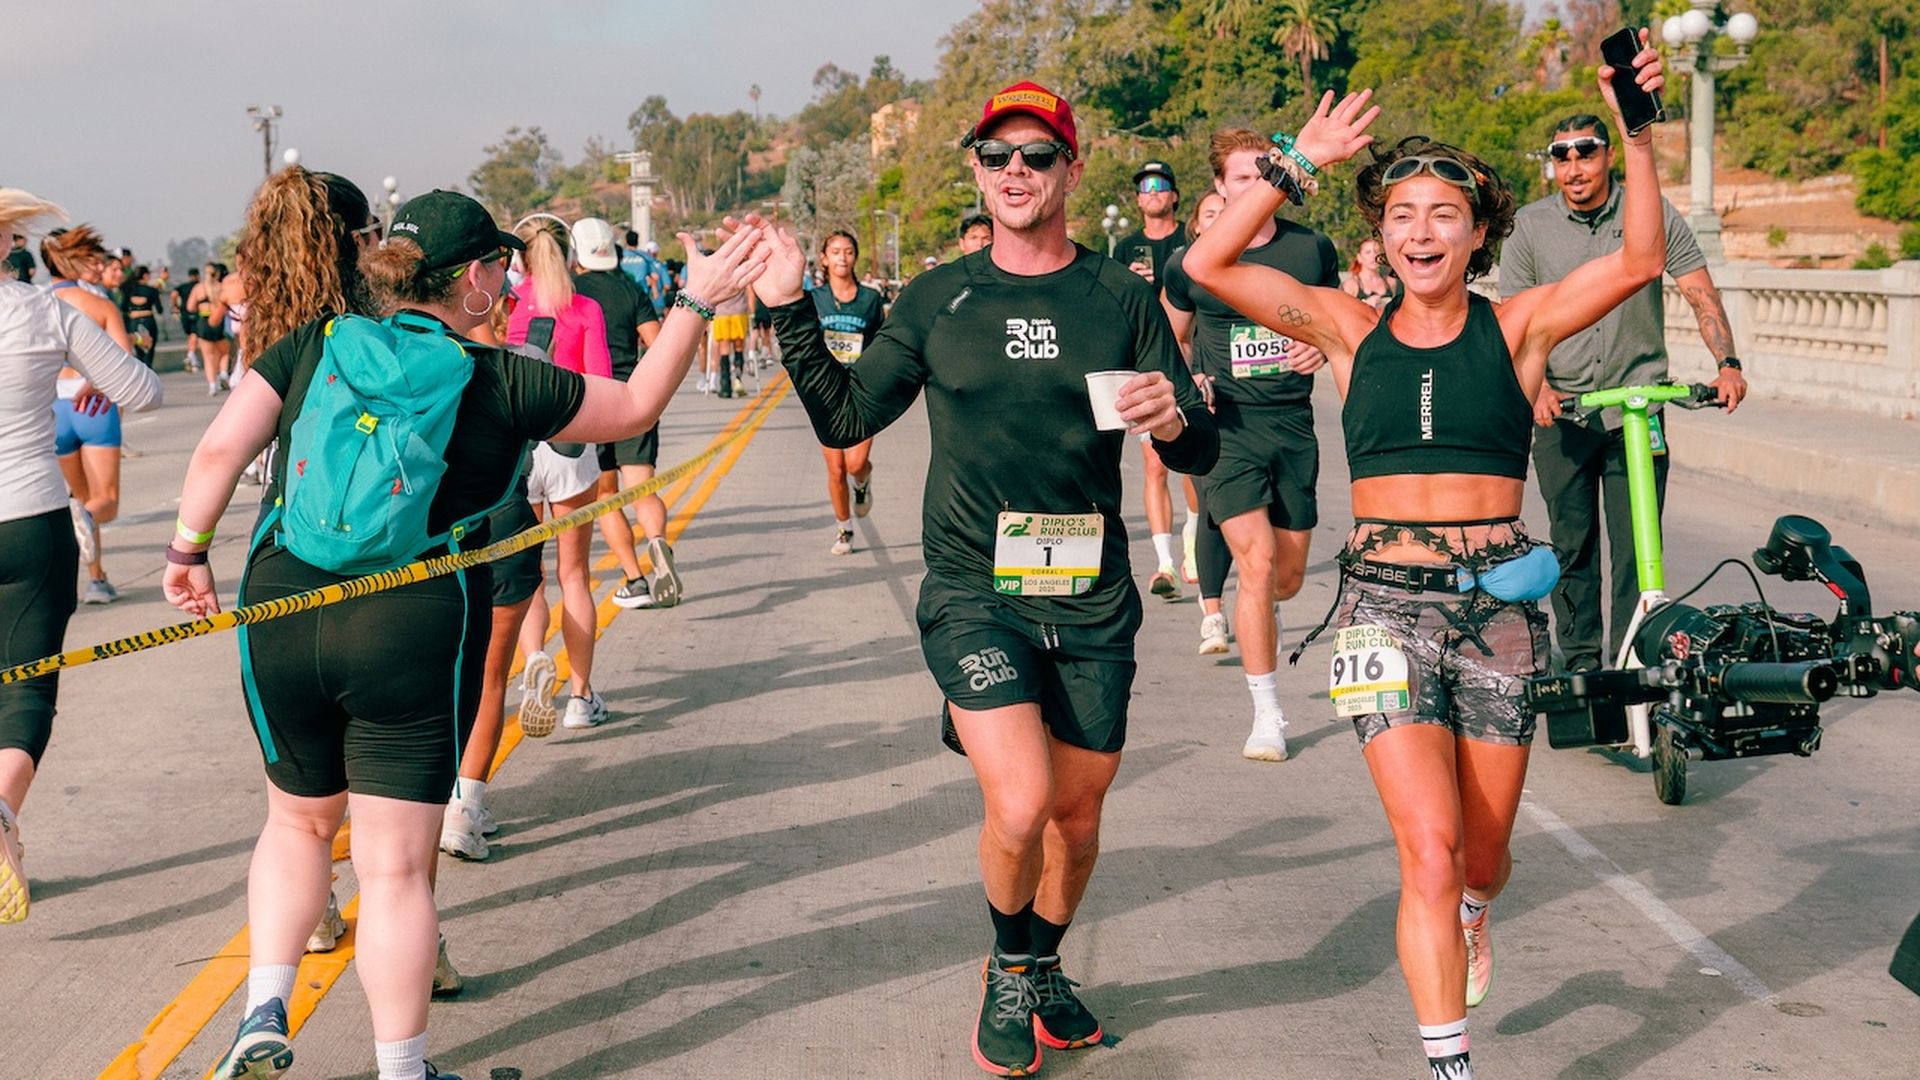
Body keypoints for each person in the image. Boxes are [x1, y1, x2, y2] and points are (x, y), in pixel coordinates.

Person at [164, 188, 766, 1080]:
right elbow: (637, 405)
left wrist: (188, 552)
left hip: (283, 605)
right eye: (504, 268)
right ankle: (402, 1068)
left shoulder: (315, 343)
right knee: (396, 869)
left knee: (293, 825)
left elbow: (218, 453)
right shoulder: (503, 377)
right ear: (477, 279)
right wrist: (693, 298)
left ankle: (262, 1011)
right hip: (409, 618)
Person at [1184, 40, 1668, 1079]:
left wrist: (1635, 134)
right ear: (1380, 235)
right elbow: (1206, 266)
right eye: (1401, 214)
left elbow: (1636, 260)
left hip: (1497, 614)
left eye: (1444, 213)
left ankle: (1477, 913)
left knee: (1482, 858)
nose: (1420, 230)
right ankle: (1449, 1062)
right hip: (1381, 615)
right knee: (1429, 851)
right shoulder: (1350, 331)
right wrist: (1289, 165)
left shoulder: (1523, 326)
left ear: (1480, 231)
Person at [748, 79, 1216, 1077]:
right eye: (997, 155)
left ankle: (1044, 966)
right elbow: (844, 419)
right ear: (975, 167)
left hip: (1091, 596)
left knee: (1078, 819)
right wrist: (788, 305)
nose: (1016, 171)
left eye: (1037, 156)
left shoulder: (1120, 299)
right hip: (975, 589)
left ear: (1070, 170)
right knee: (1020, 803)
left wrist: (1173, 421)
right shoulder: (936, 300)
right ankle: (1008, 969)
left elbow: (1195, 451)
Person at [1500, 112, 1750, 673]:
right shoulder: (1528, 227)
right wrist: (1536, 386)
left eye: (1585, 152)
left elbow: (1699, 293)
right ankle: (1583, 663)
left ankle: (1632, 658)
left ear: (1609, 155)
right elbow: (1514, 318)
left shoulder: (1652, 212)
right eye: (1560, 155)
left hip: (1638, 412)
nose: (1572, 166)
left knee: (1640, 551)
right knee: (1573, 545)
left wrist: (1727, 364)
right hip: (1560, 413)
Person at [230, 165, 388, 955]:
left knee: (296, 787)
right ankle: (411, 938)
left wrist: (186, 550)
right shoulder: (382, 328)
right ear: (358, 240)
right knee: (394, 773)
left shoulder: (261, 331)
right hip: (388, 558)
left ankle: (314, 906)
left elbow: (230, 450)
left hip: (284, 553)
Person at [0, 189, 162, 924]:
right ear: (5, 245)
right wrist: (75, 376)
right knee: (27, 686)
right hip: (31, 519)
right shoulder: (45, 312)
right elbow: (142, 391)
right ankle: (2, 813)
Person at [1162, 128, 1343, 762]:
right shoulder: (1191, 261)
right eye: (1243, 177)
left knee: (1286, 579)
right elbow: (1163, 339)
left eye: (1266, 171)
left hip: (1292, 430)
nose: (1258, 184)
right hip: (1226, 433)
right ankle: (1268, 713)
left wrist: (1320, 344)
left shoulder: (1311, 249)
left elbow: (1338, 325)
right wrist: (1191, 382)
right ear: (1220, 188)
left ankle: (1257, 609)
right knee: (1258, 564)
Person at [503, 214, 617, 736]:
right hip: (571, 446)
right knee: (575, 575)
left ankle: (533, 663)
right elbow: (600, 382)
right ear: (571, 256)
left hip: (518, 452)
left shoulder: (507, 309)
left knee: (529, 575)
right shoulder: (585, 307)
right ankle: (580, 696)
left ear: (518, 260)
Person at [571, 216, 680, 612]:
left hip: (588, 400)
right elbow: (655, 342)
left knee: (606, 495)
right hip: (631, 397)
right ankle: (657, 542)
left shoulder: (571, 291)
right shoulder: (631, 288)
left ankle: (635, 579)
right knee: (642, 487)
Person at [41, 226, 136, 605]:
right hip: (93, 406)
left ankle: (97, 579)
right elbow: (125, 363)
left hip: (53, 409)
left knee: (82, 502)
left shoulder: (34, 303)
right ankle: (92, 573)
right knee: (104, 503)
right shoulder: (99, 305)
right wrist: (99, 382)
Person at [1116, 160, 1192, 602]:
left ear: (1175, 195)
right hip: (1148, 365)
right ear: (1138, 199)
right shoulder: (1126, 248)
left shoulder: (1191, 240)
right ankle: (1164, 562)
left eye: (1161, 184)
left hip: (1195, 359)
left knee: (1193, 462)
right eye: (1144, 186)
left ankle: (1194, 542)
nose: (1153, 192)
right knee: (1154, 464)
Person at [1167, 189, 1237, 654]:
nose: (1217, 220)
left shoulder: (1262, 266)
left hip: (1271, 416)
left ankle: (1259, 588)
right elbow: (1171, 338)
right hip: (1206, 407)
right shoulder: (1184, 269)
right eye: (1208, 214)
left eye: (1224, 213)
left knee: (1278, 558)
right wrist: (1191, 378)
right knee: (1212, 508)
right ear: (1195, 225)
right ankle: (1212, 614)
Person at [808, 230, 886, 556]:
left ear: (856, 257)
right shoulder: (815, 299)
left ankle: (863, 482)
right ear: (824, 258)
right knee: (836, 469)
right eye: (835, 251)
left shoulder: (870, 299)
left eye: (848, 251)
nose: (842, 257)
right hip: (827, 392)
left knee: (855, 464)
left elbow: (882, 343)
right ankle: (844, 528)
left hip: (861, 390)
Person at [190, 262, 232, 395]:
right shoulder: (221, 287)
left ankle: (212, 385)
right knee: (224, 352)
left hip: (204, 320)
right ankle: (224, 373)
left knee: (208, 357)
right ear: (217, 273)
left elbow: (190, 307)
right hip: (219, 320)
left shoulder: (198, 288)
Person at [120, 264, 164, 365]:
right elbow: (160, 309)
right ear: (144, 276)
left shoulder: (128, 290)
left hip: (134, 322)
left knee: (138, 351)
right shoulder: (152, 290)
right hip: (148, 320)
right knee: (149, 350)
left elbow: (123, 307)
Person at [1343, 237, 1400, 310]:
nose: (1373, 256)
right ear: (1359, 257)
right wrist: (1365, 304)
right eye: (1368, 252)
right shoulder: (1351, 284)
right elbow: (1344, 312)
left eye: (1376, 251)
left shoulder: (1390, 282)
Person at [173, 266, 201, 369]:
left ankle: (191, 355)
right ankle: (191, 354)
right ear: (198, 276)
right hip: (196, 312)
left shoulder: (183, 286)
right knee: (194, 334)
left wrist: (175, 305)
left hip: (184, 313)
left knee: (190, 335)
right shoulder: (199, 286)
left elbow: (174, 294)